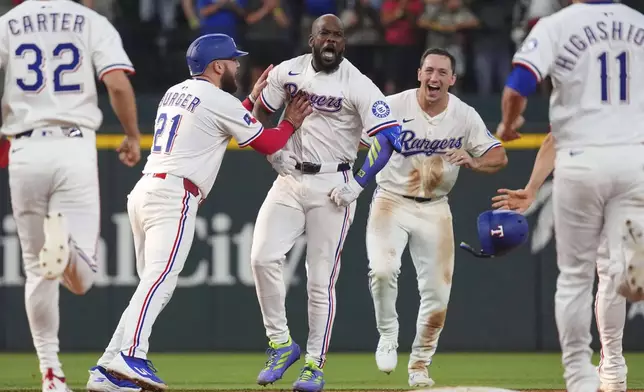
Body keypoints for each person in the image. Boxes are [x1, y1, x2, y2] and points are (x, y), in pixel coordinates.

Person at [85, 33, 313, 392]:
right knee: (158, 283)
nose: (238, 65)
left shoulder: (176, 92)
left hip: (146, 190)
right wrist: (290, 122)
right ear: (218, 65)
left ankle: (107, 371)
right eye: (233, 61)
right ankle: (129, 355)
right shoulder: (217, 99)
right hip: (174, 195)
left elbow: (218, 121)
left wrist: (252, 98)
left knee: (150, 286)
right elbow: (267, 142)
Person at [496, 1, 644, 391]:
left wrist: (509, 124)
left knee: (577, 278)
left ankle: (580, 377)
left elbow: (519, 85)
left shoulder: (556, 24)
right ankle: (613, 369)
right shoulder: (639, 23)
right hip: (635, 158)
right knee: (614, 273)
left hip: (580, 159)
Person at [251, 14, 402, 392]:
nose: (331, 41)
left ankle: (314, 365)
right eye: (325, 34)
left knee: (320, 282)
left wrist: (360, 183)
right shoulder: (287, 72)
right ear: (311, 39)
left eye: (337, 35)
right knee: (261, 258)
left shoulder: (358, 84)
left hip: (334, 184)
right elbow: (255, 116)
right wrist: (271, 154)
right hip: (289, 177)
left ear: (344, 43)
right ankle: (281, 343)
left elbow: (390, 138)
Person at [0, 1, 140, 391]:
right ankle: (70, 251)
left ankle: (51, 374)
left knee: (36, 271)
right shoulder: (91, 21)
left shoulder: (8, 22)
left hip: (25, 148)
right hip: (74, 146)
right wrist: (131, 135)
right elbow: (116, 83)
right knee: (81, 279)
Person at [362, 48, 508, 388]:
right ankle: (388, 334)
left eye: (443, 72)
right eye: (429, 70)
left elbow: (498, 156)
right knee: (382, 271)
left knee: (437, 294)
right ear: (418, 73)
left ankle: (420, 365)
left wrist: (473, 161)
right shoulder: (394, 105)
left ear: (453, 80)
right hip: (391, 199)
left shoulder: (463, 114)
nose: (435, 78)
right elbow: (359, 137)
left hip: (435, 206)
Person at [491, 132, 628, 392]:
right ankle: (600, 367)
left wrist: (532, 188)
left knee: (593, 275)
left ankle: (596, 367)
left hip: (602, 178)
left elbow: (551, 137)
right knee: (601, 274)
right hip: (605, 178)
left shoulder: (591, 93)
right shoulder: (612, 96)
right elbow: (554, 137)